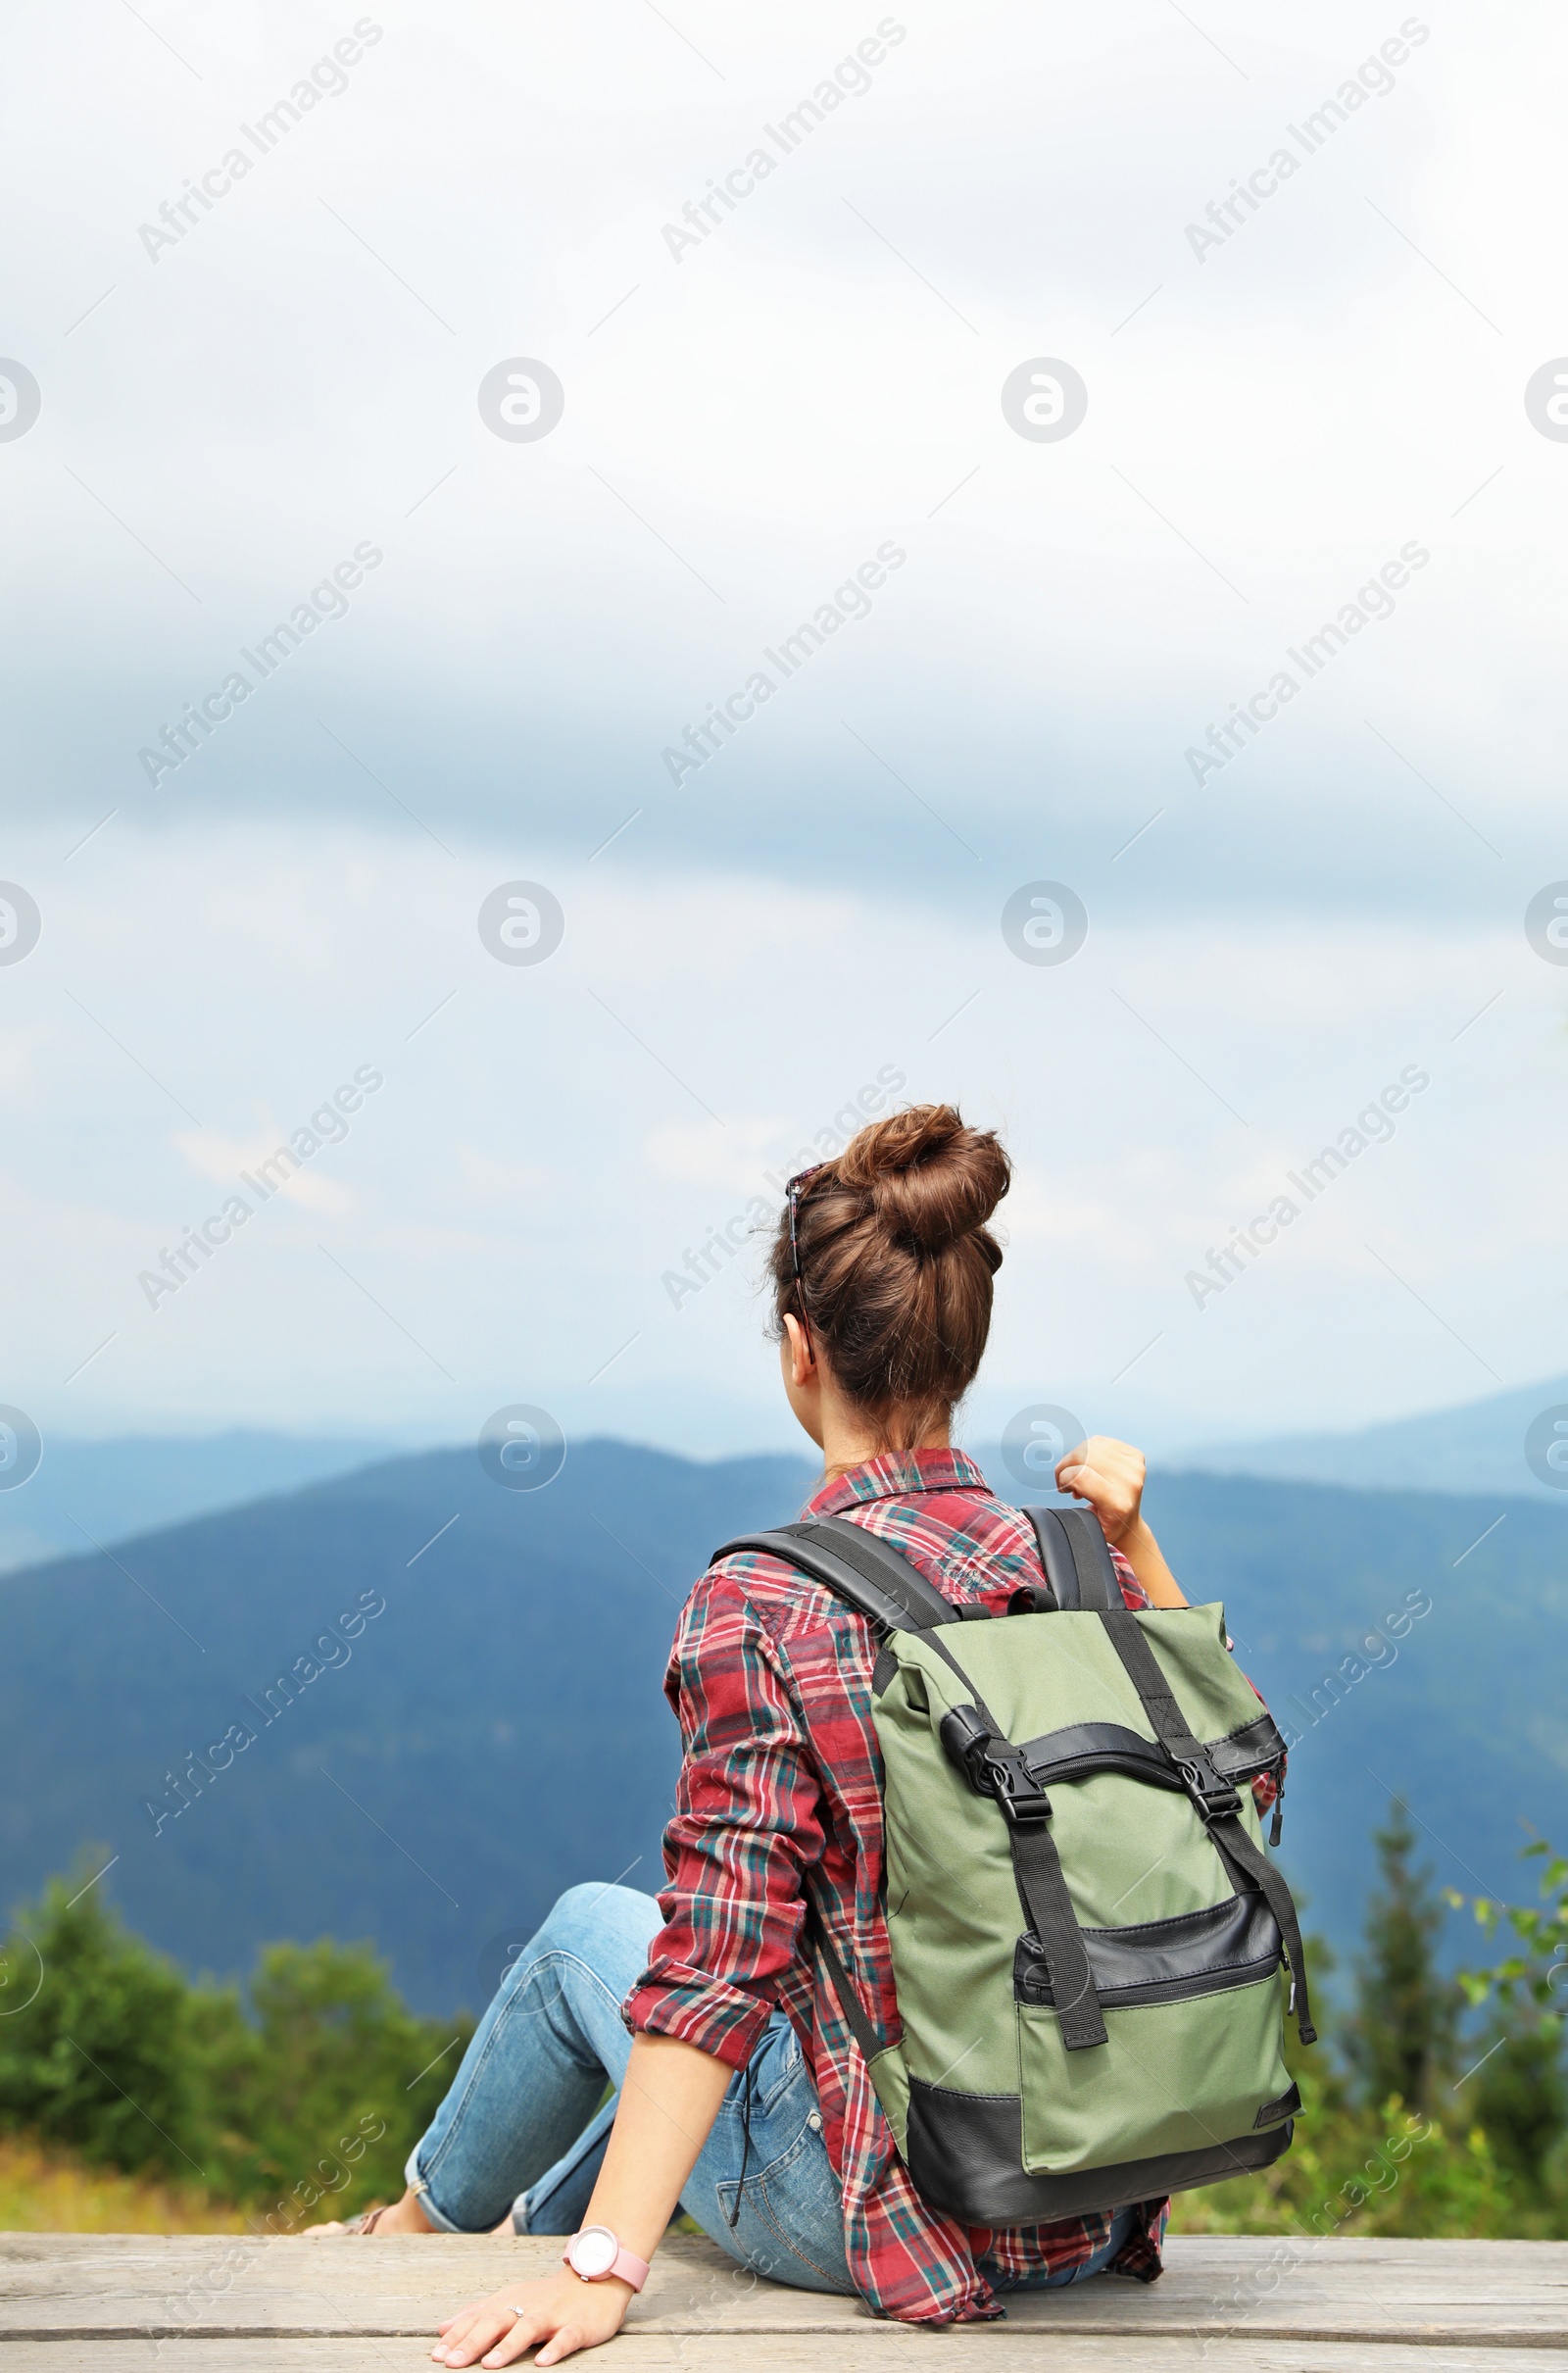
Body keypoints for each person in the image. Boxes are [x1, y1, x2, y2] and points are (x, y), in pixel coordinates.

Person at [315, 1105, 1200, 2363]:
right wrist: (1137, 1559)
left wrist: (607, 2276)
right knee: (700, 2030)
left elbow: (719, 1959)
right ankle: (527, 2231)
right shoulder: (1063, 1558)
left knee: (586, 1933)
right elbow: (1236, 1806)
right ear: (964, 1354)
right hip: (1090, 2197)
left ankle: (414, 2229)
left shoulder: (765, 1602)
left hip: (898, 2215)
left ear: (800, 1352)